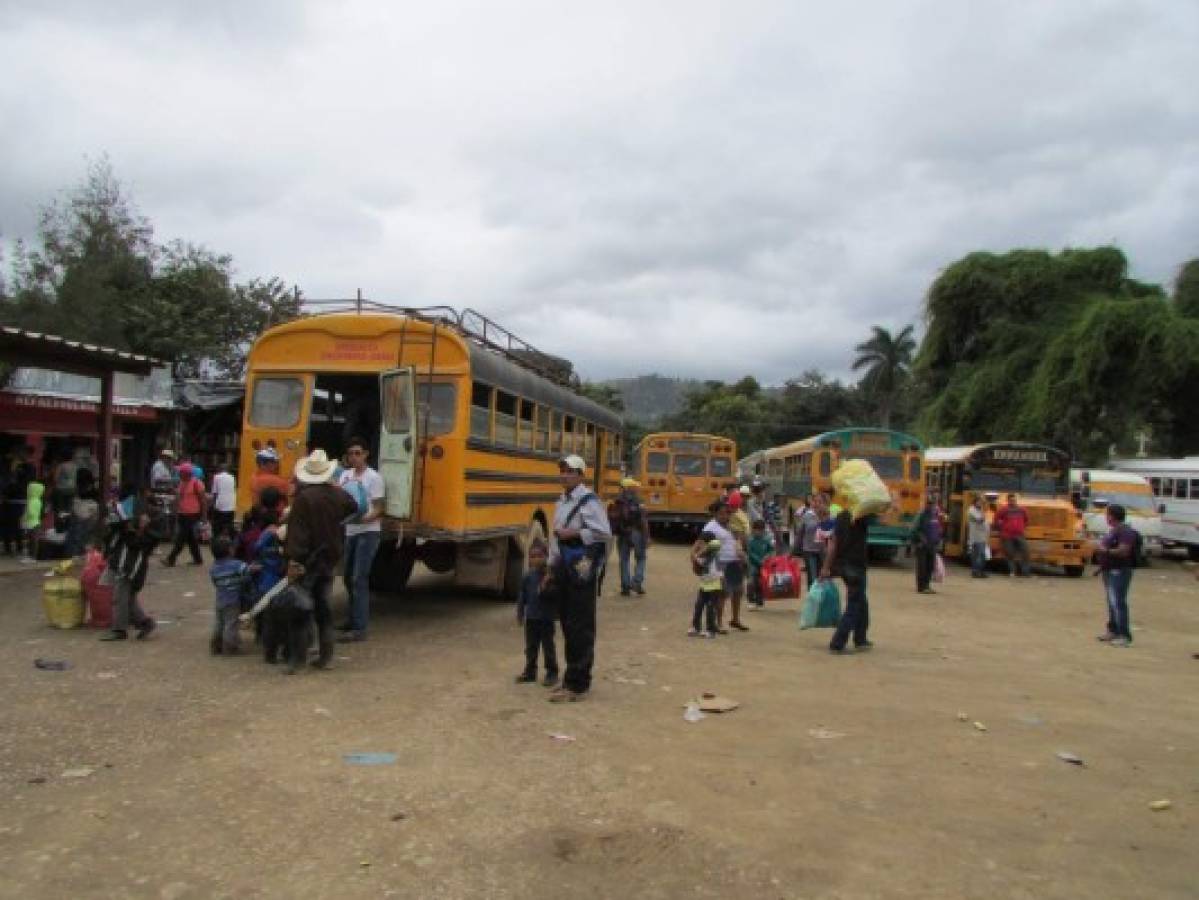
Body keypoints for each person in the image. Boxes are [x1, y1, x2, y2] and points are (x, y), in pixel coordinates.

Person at [284, 448, 358, 669]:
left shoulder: (303, 499)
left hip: (306, 561)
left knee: (300, 611)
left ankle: (298, 660)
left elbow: (297, 534)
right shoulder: (338, 495)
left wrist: (293, 559)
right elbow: (354, 507)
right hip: (329, 558)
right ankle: (326, 658)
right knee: (324, 611)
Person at [546, 454, 611, 703]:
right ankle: (570, 679)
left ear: (581, 474)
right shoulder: (562, 501)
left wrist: (576, 532)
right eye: (562, 469)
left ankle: (578, 684)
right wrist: (551, 567)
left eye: (570, 471)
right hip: (565, 566)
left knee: (580, 624)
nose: (565, 474)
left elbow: (603, 533)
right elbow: (555, 538)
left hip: (582, 570)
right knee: (566, 622)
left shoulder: (589, 501)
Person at [336, 437, 387, 642]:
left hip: (368, 532)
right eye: (351, 453)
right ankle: (353, 619)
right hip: (350, 530)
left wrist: (362, 518)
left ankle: (359, 627)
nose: (354, 457)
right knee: (348, 577)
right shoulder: (345, 476)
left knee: (359, 578)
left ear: (366, 454)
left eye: (358, 453)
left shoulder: (374, 478)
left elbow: (379, 507)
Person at [99, 483, 158, 641]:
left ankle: (120, 629)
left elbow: (115, 529)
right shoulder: (142, 509)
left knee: (121, 594)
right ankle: (144, 622)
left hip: (128, 559)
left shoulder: (130, 510)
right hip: (128, 557)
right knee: (126, 594)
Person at [822, 502, 873, 655]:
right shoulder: (862, 516)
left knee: (861, 601)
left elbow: (833, 544)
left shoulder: (841, 516)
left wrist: (826, 567)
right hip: (856, 567)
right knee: (854, 605)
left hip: (844, 566)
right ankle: (837, 643)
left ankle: (861, 639)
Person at [515, 539, 559, 686]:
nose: (536, 559)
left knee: (548, 646)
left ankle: (552, 673)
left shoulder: (551, 576)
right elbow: (523, 596)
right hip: (532, 618)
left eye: (539, 556)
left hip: (546, 618)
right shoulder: (527, 577)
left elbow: (553, 596)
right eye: (532, 556)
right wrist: (520, 613)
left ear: (546, 557)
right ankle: (530, 671)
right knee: (531, 647)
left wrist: (545, 584)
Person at [1095, 504, 1137, 647]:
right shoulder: (1114, 531)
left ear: (1112, 516)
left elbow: (1124, 551)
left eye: (1107, 515)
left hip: (1119, 571)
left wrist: (1104, 550)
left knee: (1118, 602)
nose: (1106, 517)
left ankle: (1124, 635)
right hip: (1109, 570)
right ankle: (1113, 630)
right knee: (1112, 602)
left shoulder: (1126, 532)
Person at [208, 536, 254, 655]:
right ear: (230, 550)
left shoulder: (213, 568)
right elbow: (247, 575)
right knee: (231, 624)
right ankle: (229, 646)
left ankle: (215, 644)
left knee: (219, 622)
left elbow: (215, 582)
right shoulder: (238, 564)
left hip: (220, 598)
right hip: (233, 599)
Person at [609, 477, 650, 597]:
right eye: (634, 486)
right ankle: (637, 582)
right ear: (630, 487)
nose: (636, 488)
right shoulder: (639, 501)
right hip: (636, 532)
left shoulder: (616, 501)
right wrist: (647, 537)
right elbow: (643, 520)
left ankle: (626, 587)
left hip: (622, 534)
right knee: (641, 558)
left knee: (624, 560)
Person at [164, 463, 207, 567]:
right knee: (190, 538)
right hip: (182, 514)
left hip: (192, 514)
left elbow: (203, 501)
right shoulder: (181, 483)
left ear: (187, 473)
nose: (179, 474)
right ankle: (198, 559)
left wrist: (204, 516)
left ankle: (171, 558)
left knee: (181, 537)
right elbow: (179, 497)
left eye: (181, 473)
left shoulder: (197, 483)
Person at [722, 491, 751, 631]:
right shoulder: (729, 516)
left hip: (738, 556)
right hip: (731, 556)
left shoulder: (739, 515)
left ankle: (735, 619)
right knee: (725, 590)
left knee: (738, 590)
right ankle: (719, 621)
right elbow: (738, 536)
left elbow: (743, 536)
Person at [689, 530, 723, 637]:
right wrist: (697, 550)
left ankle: (710, 630)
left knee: (710, 607)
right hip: (705, 584)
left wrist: (697, 550)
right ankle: (696, 627)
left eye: (702, 542)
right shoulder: (706, 553)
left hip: (714, 584)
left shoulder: (713, 551)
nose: (700, 544)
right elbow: (694, 561)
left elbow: (714, 544)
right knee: (699, 606)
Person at [911, 493, 946, 594]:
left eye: (933, 503)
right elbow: (913, 529)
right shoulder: (921, 514)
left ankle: (927, 585)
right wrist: (921, 539)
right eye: (930, 503)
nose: (931, 505)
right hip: (922, 545)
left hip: (932, 545)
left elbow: (937, 529)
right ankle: (921, 587)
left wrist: (938, 539)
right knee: (922, 566)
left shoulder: (935, 515)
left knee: (930, 566)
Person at [994, 494, 1031, 577]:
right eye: (1011, 500)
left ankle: (1025, 572)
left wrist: (1021, 528)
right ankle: (1012, 572)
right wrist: (1001, 528)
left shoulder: (1022, 510)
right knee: (1010, 554)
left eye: (1014, 500)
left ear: (1016, 500)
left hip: (1019, 535)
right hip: (1007, 536)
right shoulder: (1003, 510)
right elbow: (996, 519)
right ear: (1008, 501)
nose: (1012, 502)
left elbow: (1027, 520)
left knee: (1026, 552)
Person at [793, 493, 824, 591]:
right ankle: (812, 599)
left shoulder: (827, 516)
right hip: (809, 550)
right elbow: (800, 534)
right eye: (815, 501)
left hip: (822, 552)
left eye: (820, 502)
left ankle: (820, 599)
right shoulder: (807, 516)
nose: (817, 504)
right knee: (812, 576)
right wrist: (794, 551)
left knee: (821, 577)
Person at [746, 518, 772, 609]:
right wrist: (760, 561)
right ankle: (751, 600)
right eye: (757, 530)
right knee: (751, 582)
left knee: (761, 583)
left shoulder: (766, 540)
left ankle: (759, 601)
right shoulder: (750, 541)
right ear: (753, 530)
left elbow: (771, 550)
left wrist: (768, 556)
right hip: (753, 564)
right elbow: (751, 553)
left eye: (761, 530)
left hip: (764, 565)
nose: (759, 532)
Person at [210, 462, 237, 540]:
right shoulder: (232, 477)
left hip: (220, 505)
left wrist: (213, 504)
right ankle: (231, 539)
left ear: (220, 469)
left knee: (217, 525)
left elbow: (215, 492)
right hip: (231, 505)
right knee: (229, 524)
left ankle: (216, 540)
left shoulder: (216, 477)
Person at [19, 479, 44, 563]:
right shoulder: (38, 500)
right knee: (33, 541)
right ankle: (32, 556)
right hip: (35, 523)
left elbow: (30, 513)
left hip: (31, 523)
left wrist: (23, 518)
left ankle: (31, 557)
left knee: (31, 541)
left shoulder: (31, 501)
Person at [967, 496, 990, 578]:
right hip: (975, 536)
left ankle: (980, 571)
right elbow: (980, 520)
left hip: (982, 536)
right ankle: (976, 571)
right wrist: (984, 509)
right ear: (975, 502)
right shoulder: (971, 510)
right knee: (978, 555)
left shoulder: (980, 510)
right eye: (979, 502)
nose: (980, 503)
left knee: (982, 555)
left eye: (981, 502)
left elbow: (986, 523)